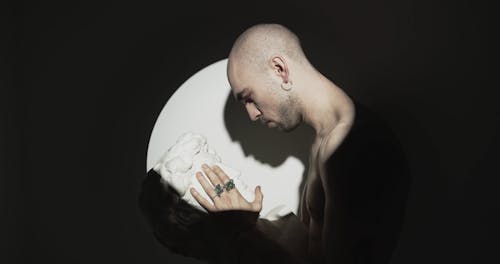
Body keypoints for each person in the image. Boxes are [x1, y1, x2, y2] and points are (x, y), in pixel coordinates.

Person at [139, 23, 410, 264]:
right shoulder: (327, 141)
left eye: (248, 97)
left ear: (280, 70)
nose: (252, 113)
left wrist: (242, 235)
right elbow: (313, 252)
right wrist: (248, 225)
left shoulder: (350, 148)